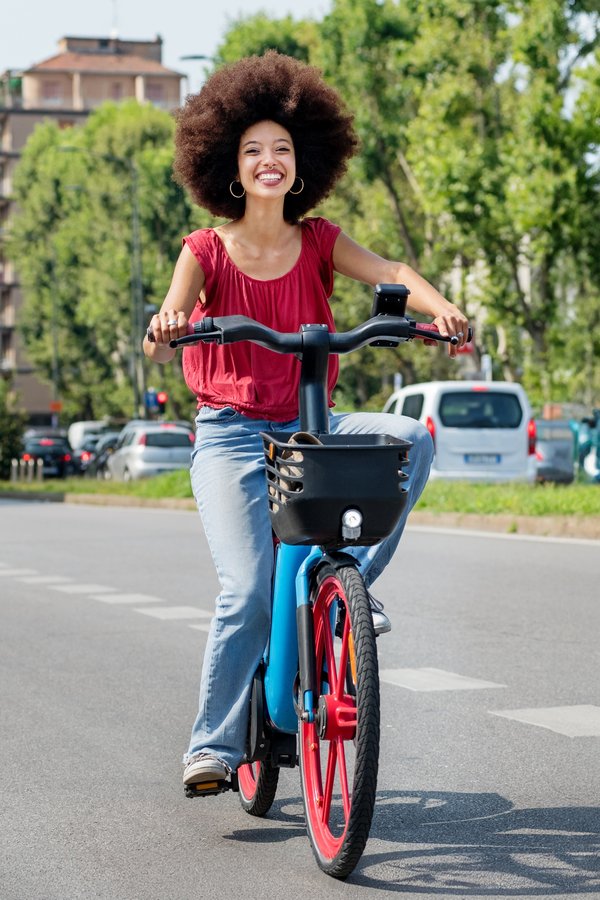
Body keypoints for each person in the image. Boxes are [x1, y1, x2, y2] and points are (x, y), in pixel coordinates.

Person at [143, 51, 469, 788]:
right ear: (231, 163)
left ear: (301, 164)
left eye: (282, 149)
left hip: (308, 426)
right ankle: (215, 748)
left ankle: (352, 581)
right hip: (230, 436)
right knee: (248, 591)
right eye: (254, 149)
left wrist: (438, 307)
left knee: (411, 440)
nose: (269, 160)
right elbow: (169, 315)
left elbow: (389, 273)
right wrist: (166, 326)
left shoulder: (319, 240)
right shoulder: (204, 249)